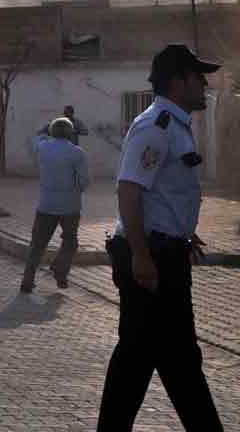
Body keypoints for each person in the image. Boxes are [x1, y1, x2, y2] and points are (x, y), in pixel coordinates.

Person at [97, 44, 223, 431]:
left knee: (152, 357)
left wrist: (184, 232)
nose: (204, 84)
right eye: (198, 77)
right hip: (152, 259)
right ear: (177, 81)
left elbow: (163, 193)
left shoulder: (175, 125)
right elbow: (130, 190)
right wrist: (141, 255)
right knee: (161, 357)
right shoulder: (157, 127)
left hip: (164, 253)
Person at [21, 117, 89, 293]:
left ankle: (27, 280)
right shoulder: (77, 153)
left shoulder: (43, 147)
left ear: (52, 131)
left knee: (38, 244)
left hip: (46, 204)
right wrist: (76, 190)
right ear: (70, 133)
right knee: (70, 242)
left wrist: (44, 130)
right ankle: (60, 270)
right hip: (70, 205)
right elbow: (84, 181)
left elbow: (35, 139)